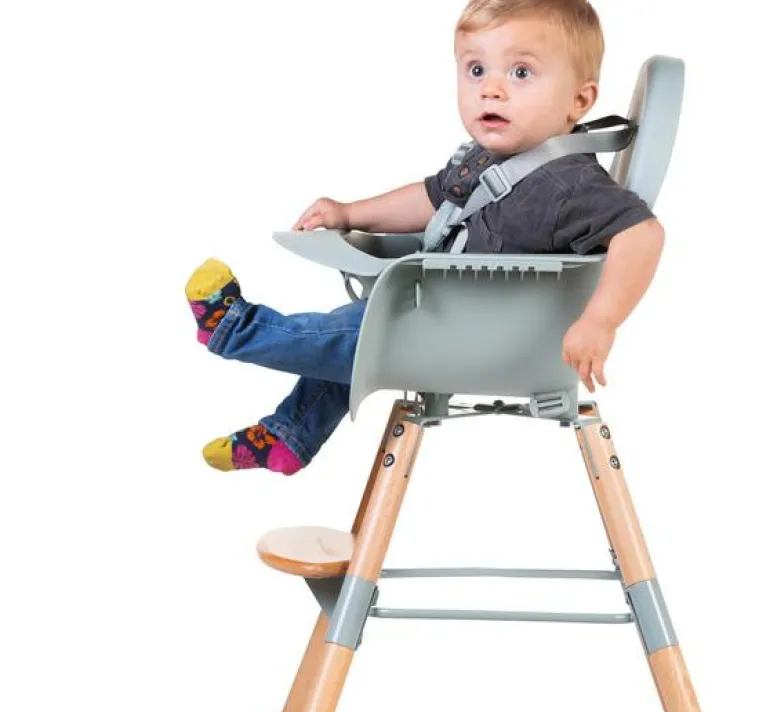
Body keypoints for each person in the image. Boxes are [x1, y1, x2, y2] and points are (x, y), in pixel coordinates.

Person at [186, 0, 665, 474]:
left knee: (355, 335)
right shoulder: (491, 158)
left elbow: (643, 234)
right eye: (476, 69)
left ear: (579, 101)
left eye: (521, 72)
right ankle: (290, 435)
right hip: (451, 322)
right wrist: (350, 213)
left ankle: (235, 328)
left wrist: (600, 321)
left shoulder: (571, 185)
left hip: (484, 339)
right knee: (355, 332)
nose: (491, 89)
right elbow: (432, 200)